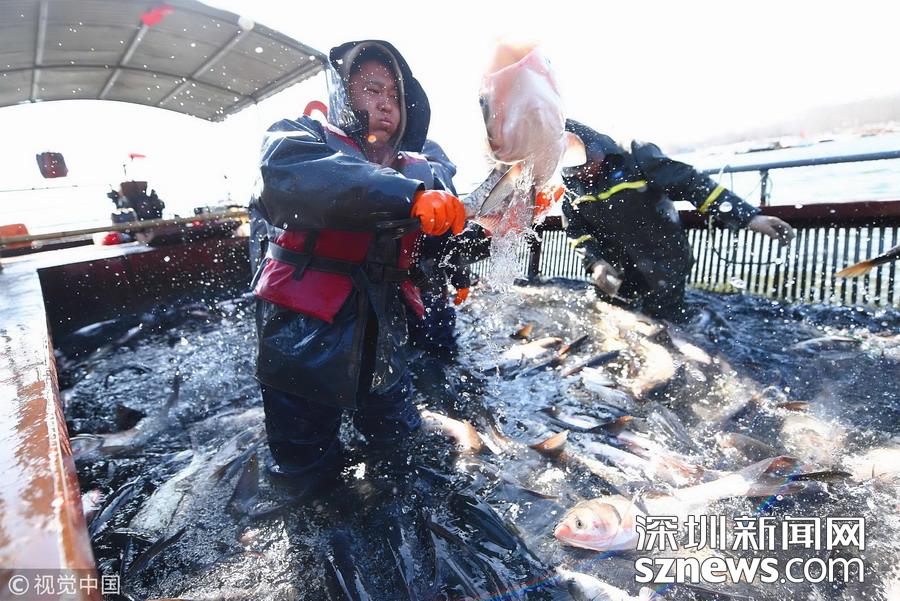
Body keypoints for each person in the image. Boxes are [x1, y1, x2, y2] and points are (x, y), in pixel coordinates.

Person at [249, 40, 466, 490]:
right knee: (305, 468)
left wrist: (463, 261)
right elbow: (289, 178)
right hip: (303, 335)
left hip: (382, 333)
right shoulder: (299, 138)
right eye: (371, 89)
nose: (385, 104)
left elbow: (441, 239)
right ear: (343, 95)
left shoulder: (423, 170)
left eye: (394, 96)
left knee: (401, 450)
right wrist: (407, 195)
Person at [561, 119, 795, 322]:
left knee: (667, 325)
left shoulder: (635, 154)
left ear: (596, 144)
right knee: (615, 323)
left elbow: (692, 184)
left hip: (663, 263)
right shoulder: (572, 182)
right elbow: (575, 228)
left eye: (588, 161)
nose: (584, 172)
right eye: (576, 170)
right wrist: (595, 262)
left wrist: (749, 217)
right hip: (617, 271)